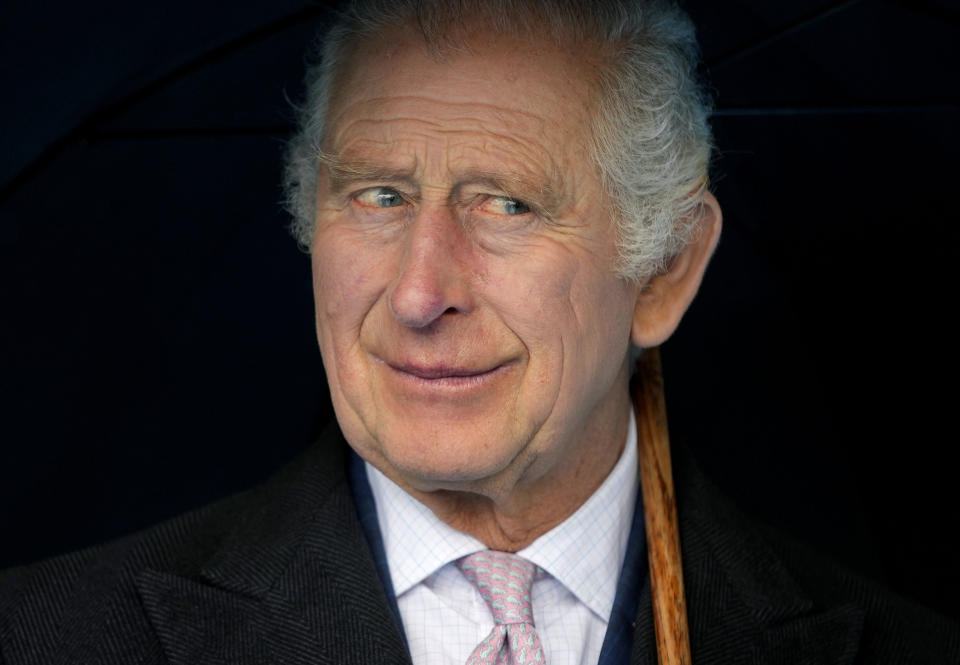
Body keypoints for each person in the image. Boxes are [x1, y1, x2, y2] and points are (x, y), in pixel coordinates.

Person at [0, 1, 955, 663]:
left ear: (665, 268)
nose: (420, 293)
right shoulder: (43, 638)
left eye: (506, 204)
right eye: (378, 195)